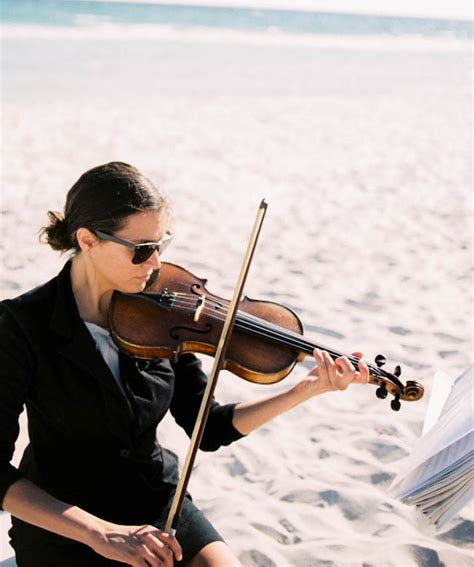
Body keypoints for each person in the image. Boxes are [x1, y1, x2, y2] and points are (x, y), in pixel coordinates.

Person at [0, 161, 370, 567]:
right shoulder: (22, 327)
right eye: (141, 250)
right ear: (87, 240)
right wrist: (101, 533)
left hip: (156, 501)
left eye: (162, 245)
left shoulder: (168, 313)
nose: (156, 263)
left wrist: (307, 389)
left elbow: (208, 427)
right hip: (66, 525)